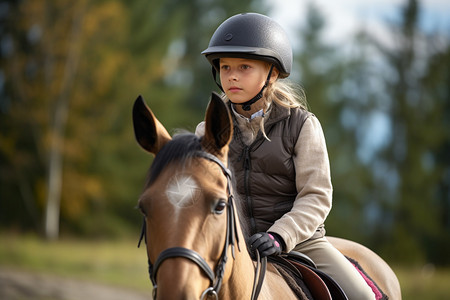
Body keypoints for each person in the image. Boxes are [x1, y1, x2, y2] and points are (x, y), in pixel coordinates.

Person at [196, 12, 375, 300]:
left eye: (244, 67)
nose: (232, 75)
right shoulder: (207, 130)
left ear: (273, 73)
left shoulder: (302, 125)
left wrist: (280, 236)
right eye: (225, 67)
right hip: (231, 242)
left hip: (299, 242)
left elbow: (316, 197)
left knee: (362, 297)